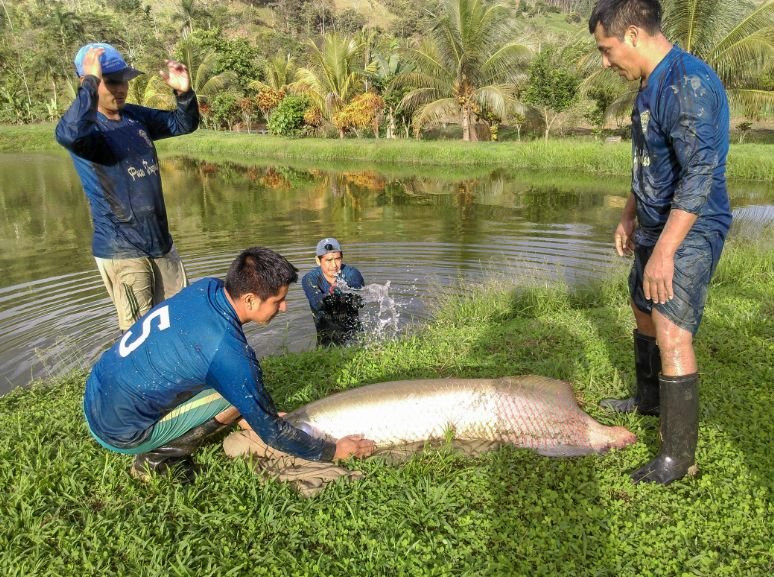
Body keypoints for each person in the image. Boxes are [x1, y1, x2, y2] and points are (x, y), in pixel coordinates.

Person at [589, 0, 732, 484]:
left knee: (672, 329)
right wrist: (629, 216)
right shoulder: (649, 86)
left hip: (690, 226)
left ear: (632, 35)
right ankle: (649, 401)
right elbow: (647, 161)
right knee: (641, 308)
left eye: (607, 50)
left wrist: (666, 251)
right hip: (653, 222)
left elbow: (698, 175)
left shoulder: (686, 84)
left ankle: (678, 457)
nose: (606, 62)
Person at [83, 247, 375, 480]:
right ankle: (159, 458)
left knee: (231, 386)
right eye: (278, 301)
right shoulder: (229, 355)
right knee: (236, 395)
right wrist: (334, 449)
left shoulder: (207, 288)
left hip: (99, 388)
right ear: (249, 300)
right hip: (118, 429)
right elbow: (272, 432)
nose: (284, 307)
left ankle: (230, 414)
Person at [56, 42, 200, 332]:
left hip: (160, 241)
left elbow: (181, 124)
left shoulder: (136, 117)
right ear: (88, 82)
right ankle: (140, 377)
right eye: (110, 81)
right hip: (122, 247)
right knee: (138, 331)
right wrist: (90, 81)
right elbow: (68, 134)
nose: (120, 88)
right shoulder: (88, 131)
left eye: (123, 80)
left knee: (181, 318)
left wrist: (183, 94)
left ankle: (184, 376)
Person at [302, 238, 366, 346]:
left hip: (354, 337)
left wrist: (344, 293)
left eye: (337, 259)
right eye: (328, 260)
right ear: (318, 261)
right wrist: (331, 293)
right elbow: (317, 304)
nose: (334, 265)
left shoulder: (352, 274)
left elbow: (359, 302)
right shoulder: (310, 279)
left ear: (342, 257)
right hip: (325, 339)